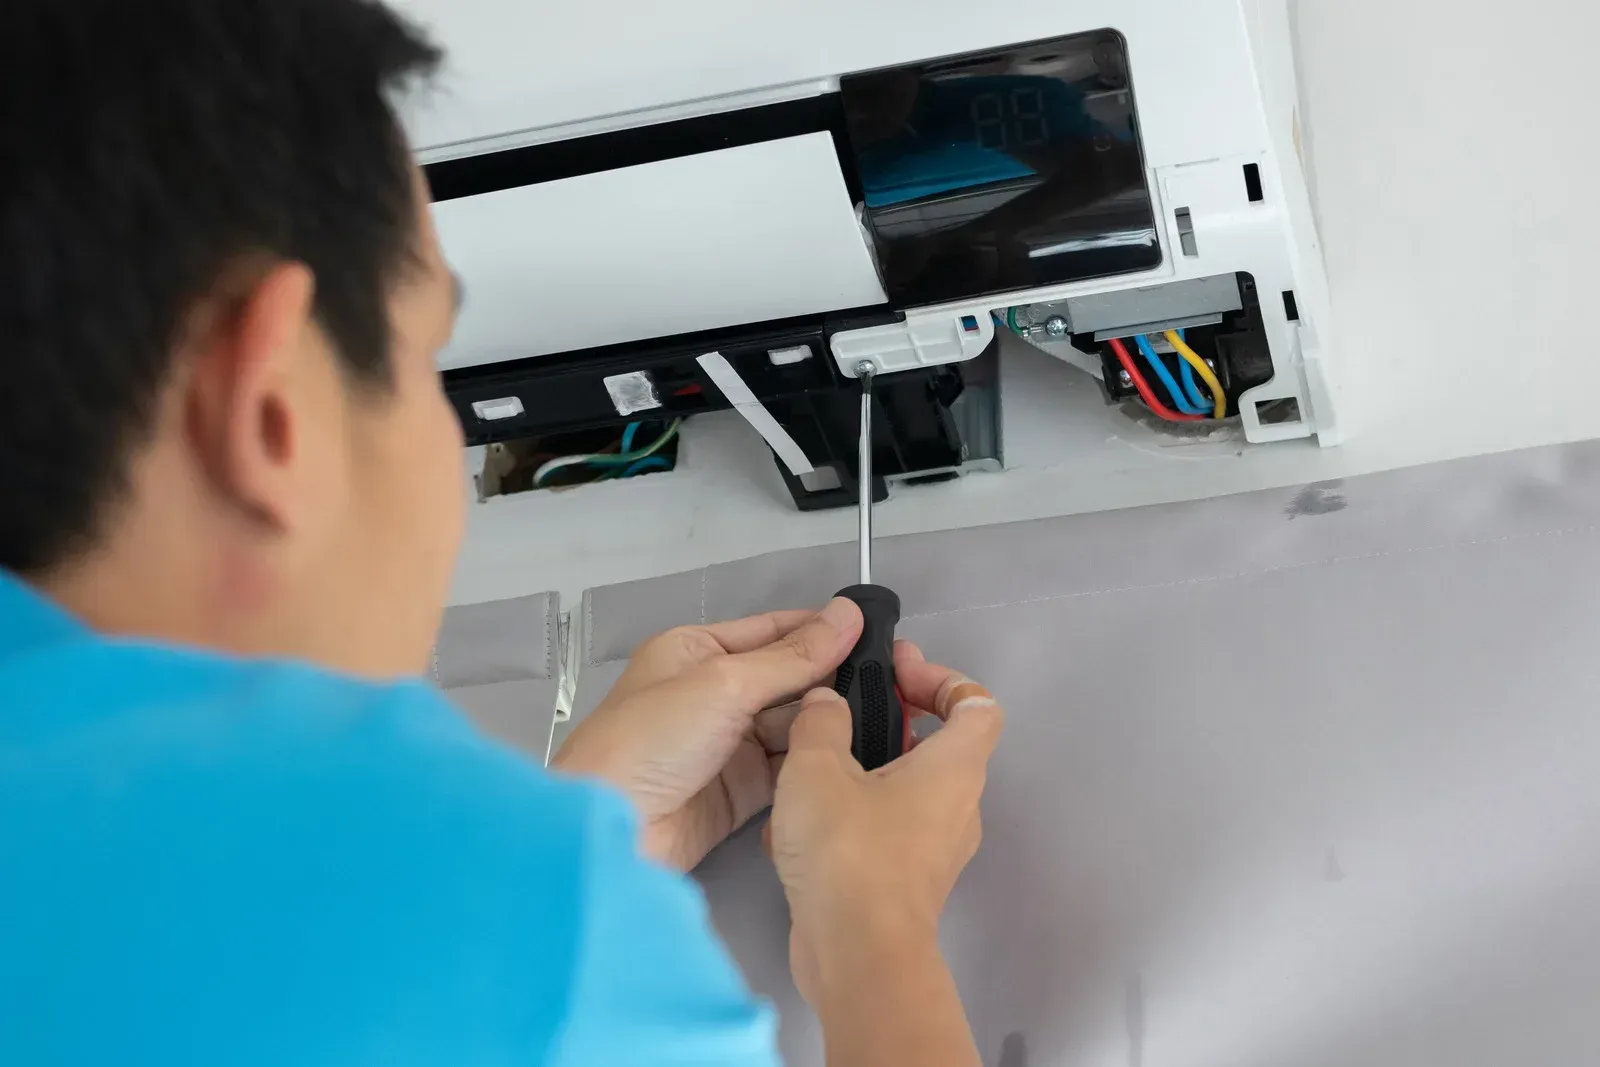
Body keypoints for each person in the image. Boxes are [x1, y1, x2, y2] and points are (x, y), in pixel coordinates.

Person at [0, 1, 1006, 1065]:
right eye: (424, 361)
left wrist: (583, 827)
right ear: (272, 413)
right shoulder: (507, 944)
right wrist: (874, 926)